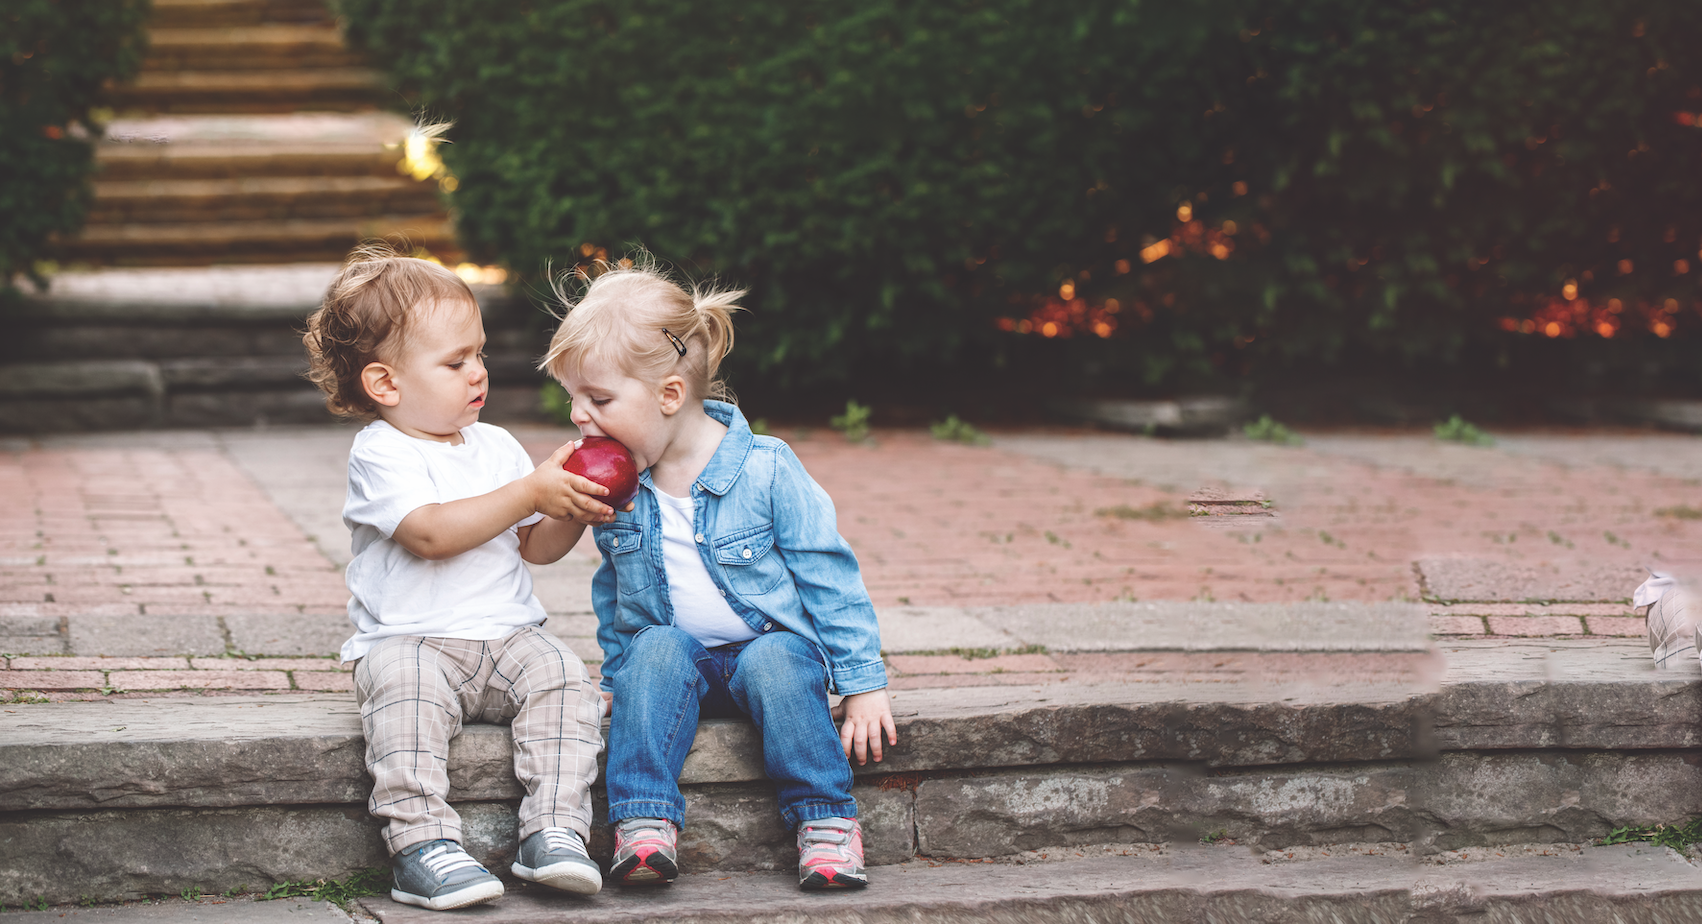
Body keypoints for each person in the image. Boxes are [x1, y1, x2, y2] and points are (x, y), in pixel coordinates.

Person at [539, 257, 898, 891]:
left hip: (769, 652)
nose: (578, 416)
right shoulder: (623, 486)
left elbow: (828, 575)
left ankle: (826, 822)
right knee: (652, 649)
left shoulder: (766, 468)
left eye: (597, 399)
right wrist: (621, 678)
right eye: (574, 399)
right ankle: (644, 823)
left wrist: (863, 683)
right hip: (682, 663)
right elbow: (617, 591)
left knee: (781, 659)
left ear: (669, 395)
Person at [303, 245, 623, 911]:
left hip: (509, 637)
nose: (478, 373)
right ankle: (421, 845)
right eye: (455, 362)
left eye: (478, 354)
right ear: (385, 384)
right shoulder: (382, 453)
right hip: (412, 642)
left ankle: (554, 831)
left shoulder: (497, 445)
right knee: (403, 697)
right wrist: (530, 490)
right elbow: (430, 532)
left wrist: (572, 507)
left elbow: (534, 548)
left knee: (567, 682)